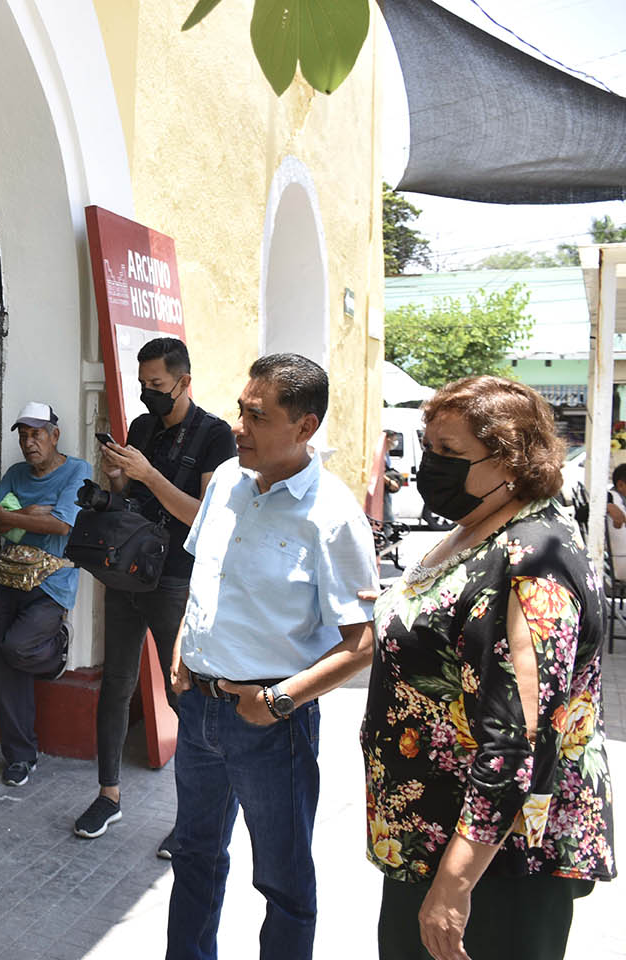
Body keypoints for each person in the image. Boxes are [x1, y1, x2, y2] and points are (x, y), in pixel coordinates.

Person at [361, 376, 615, 960]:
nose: (431, 465)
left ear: (512, 461)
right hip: (432, 835)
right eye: (429, 447)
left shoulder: (535, 565)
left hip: (494, 863)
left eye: (450, 453)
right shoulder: (480, 525)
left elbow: (519, 737)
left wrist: (453, 887)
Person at [165, 353, 377, 960]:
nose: (238, 427)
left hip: (270, 721)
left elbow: (361, 643)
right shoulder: (228, 482)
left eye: (256, 416)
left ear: (305, 427)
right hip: (199, 710)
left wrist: (280, 700)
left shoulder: (332, 516)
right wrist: (184, 647)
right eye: (240, 410)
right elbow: (204, 575)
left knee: (281, 880)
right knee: (194, 858)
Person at [74, 337, 235, 850]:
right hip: (127, 572)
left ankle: (190, 816)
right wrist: (120, 479)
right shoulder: (142, 427)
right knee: (115, 685)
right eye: (143, 385)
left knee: (181, 693)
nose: (148, 395)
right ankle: (108, 794)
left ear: (185, 382)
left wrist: (149, 473)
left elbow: (203, 518)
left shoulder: (215, 438)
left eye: (158, 386)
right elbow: (132, 499)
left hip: (176, 581)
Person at [0, 402, 92, 786]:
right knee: (5, 663)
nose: (30, 443)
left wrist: (11, 517)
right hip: (11, 579)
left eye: (37, 434)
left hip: (52, 585)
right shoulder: (15, 473)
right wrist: (33, 513)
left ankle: (56, 647)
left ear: (54, 435)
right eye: (24, 436)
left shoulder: (78, 471)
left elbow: (62, 525)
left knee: (16, 649)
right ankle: (20, 757)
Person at [606, 462, 626, 581]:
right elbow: (582, 513)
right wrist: (608, 506)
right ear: (620, 485)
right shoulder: (610, 497)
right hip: (622, 563)